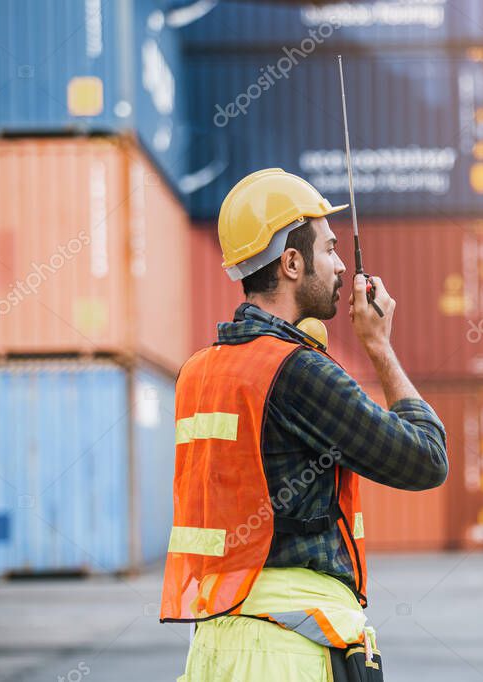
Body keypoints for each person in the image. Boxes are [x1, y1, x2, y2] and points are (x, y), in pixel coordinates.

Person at [160, 168, 449, 681]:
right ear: (292, 263)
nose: (342, 266)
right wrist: (380, 348)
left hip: (214, 647)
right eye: (330, 249)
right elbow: (426, 460)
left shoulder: (199, 370)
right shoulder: (296, 371)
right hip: (285, 649)